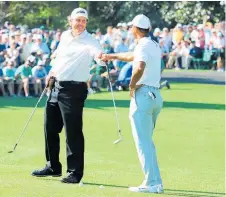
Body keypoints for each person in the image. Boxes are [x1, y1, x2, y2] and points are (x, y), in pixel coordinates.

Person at [31, 7, 103, 184]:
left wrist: (101, 56)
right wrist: (52, 73)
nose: (80, 24)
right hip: (56, 85)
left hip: (74, 89)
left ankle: (75, 172)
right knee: (49, 127)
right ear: (70, 20)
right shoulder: (64, 36)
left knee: (73, 131)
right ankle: (53, 166)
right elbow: (60, 58)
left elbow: (97, 53)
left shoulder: (90, 40)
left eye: (83, 21)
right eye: (77, 20)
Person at [101, 14, 164, 193]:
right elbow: (133, 57)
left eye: (132, 27)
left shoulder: (143, 45)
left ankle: (152, 183)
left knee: (143, 142)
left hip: (143, 95)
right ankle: (155, 182)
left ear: (136, 29)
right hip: (155, 96)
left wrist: (131, 85)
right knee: (147, 142)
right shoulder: (152, 44)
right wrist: (111, 56)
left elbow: (139, 66)